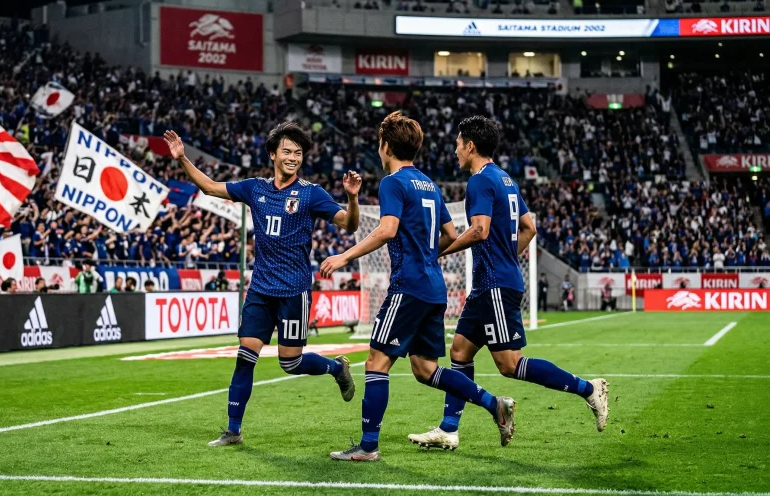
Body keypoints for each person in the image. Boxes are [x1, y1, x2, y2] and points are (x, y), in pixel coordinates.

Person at [320, 112, 515, 460]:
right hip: (433, 288)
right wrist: (426, 255)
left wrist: (344, 256)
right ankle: (493, 404)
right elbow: (451, 235)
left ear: (386, 146)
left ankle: (368, 446)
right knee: (425, 369)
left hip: (408, 287)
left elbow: (387, 230)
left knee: (376, 362)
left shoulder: (392, 182)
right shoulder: (429, 184)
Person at [410, 116, 608, 451]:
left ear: (470, 145)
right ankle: (449, 428)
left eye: (458, 143)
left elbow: (479, 230)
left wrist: (438, 252)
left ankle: (589, 389)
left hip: (496, 284)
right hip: (490, 283)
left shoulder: (479, 181)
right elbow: (530, 228)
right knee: (459, 351)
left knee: (510, 364)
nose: (455, 150)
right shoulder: (505, 179)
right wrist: (507, 256)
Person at [165, 122, 362, 448]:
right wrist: (182, 159)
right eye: (287, 151)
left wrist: (352, 199)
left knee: (290, 363)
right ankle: (233, 430)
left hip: (294, 290)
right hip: (260, 289)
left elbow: (349, 224)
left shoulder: (311, 193)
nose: (293, 157)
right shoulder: (254, 188)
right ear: (273, 154)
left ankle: (335, 367)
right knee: (245, 356)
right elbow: (210, 187)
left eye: (298, 153)